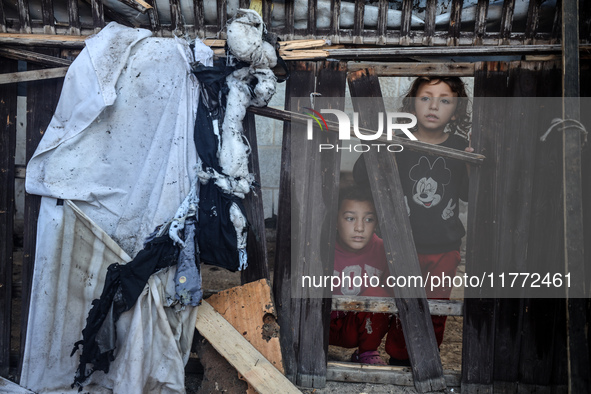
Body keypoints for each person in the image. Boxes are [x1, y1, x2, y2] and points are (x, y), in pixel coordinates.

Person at [353, 76, 472, 366]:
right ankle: (382, 353)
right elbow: (361, 176)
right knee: (393, 301)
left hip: (444, 248)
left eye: (445, 100)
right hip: (398, 244)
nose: (433, 106)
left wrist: (471, 166)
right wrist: (379, 150)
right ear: (412, 105)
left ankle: (417, 358)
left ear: (455, 112)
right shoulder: (399, 142)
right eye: (425, 98)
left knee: (433, 308)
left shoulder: (460, 147)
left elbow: (469, 194)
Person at [329, 187, 392, 365]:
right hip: (321, 324)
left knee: (380, 293)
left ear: (377, 222)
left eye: (368, 219)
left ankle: (367, 352)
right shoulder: (321, 248)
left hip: (359, 327)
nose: (359, 228)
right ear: (335, 221)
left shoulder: (383, 251)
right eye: (350, 218)